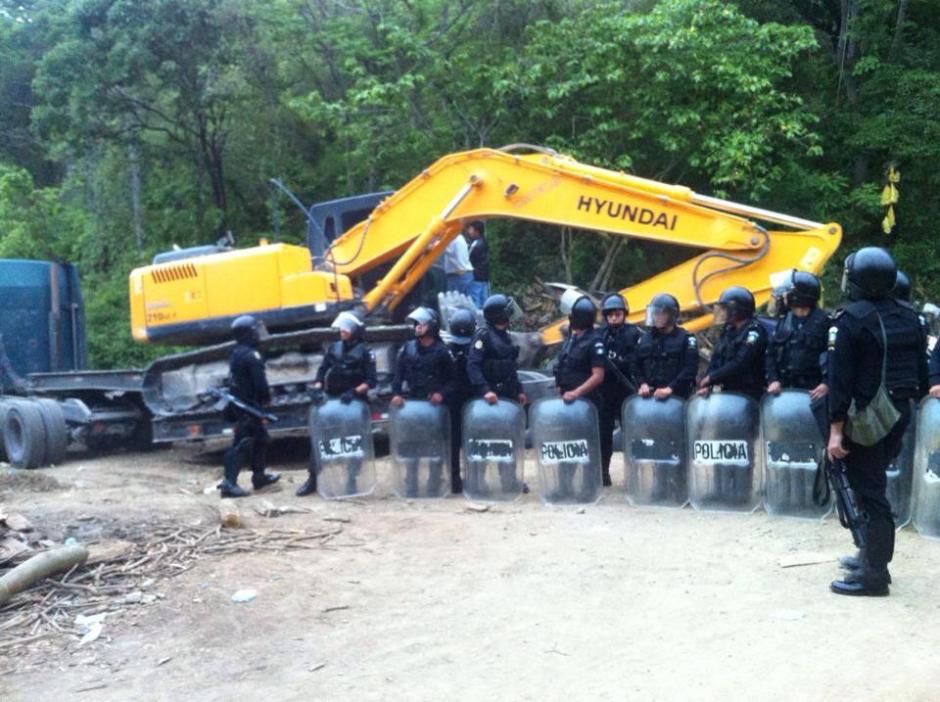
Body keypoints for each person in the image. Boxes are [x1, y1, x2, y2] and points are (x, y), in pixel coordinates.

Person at [827, 247, 928, 597]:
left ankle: (875, 574)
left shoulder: (850, 319)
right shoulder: (910, 315)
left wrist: (836, 432)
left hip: (866, 418)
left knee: (870, 494)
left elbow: (839, 384)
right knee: (872, 487)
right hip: (899, 414)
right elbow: (920, 373)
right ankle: (868, 555)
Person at [297, 312, 377, 497]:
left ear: (355, 330)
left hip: (353, 403)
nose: (342, 330)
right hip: (332, 400)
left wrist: (355, 391)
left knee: (352, 442)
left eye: (346, 328)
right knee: (321, 439)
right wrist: (317, 387)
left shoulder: (366, 352)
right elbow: (322, 370)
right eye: (341, 327)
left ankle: (352, 479)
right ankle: (313, 480)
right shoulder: (334, 348)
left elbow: (371, 381)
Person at [465, 294, 528, 495]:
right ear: (498, 314)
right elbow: (472, 366)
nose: (511, 313)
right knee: (485, 441)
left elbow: (511, 368)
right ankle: (479, 483)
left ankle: (508, 481)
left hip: (507, 396)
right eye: (507, 310)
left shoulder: (506, 337)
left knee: (507, 439)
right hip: (490, 399)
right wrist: (485, 390)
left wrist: (519, 391)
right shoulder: (483, 336)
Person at [391, 307, 456, 496]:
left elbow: (454, 381)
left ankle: (434, 483)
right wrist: (396, 393)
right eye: (416, 324)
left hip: (434, 408)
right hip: (413, 405)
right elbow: (398, 375)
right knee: (412, 446)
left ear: (432, 326)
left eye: (422, 324)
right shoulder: (408, 348)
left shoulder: (443, 351)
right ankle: (410, 484)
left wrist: (441, 394)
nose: (418, 327)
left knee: (435, 448)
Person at [551, 295, 606, 500]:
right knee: (567, 445)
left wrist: (576, 393)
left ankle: (588, 487)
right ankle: (565, 486)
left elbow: (598, 376)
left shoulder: (595, 341)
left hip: (586, 404)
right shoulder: (572, 339)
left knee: (587, 446)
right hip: (568, 403)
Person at [219, 315, 280, 498]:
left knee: (261, 439)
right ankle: (228, 483)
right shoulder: (251, 356)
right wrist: (266, 399)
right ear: (249, 334)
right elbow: (260, 383)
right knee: (242, 443)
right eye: (255, 330)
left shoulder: (237, 351)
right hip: (247, 406)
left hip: (243, 404)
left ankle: (259, 477)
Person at [597, 293, 642, 487]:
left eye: (617, 314)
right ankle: (603, 474)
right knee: (603, 435)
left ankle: (635, 475)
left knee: (631, 434)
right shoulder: (600, 334)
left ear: (624, 313)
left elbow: (639, 360)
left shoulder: (634, 333)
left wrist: (623, 362)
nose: (613, 318)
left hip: (627, 390)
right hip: (606, 392)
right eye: (610, 315)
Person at [766, 271, 830, 400]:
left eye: (786, 293)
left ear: (797, 296)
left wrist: (827, 383)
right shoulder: (784, 321)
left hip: (813, 394)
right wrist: (773, 379)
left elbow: (837, 358)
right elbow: (770, 353)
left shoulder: (825, 322)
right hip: (785, 393)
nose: (782, 297)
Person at [697, 286, 767, 401]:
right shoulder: (729, 330)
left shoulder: (754, 331)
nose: (722, 313)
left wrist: (712, 377)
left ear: (736, 310)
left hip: (750, 395)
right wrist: (707, 383)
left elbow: (741, 362)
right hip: (728, 392)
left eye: (725, 309)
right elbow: (717, 357)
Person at [633, 293, 698, 400]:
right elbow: (635, 364)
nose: (658, 317)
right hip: (649, 397)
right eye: (655, 313)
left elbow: (690, 368)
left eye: (663, 314)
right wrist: (642, 383)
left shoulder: (686, 338)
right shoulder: (645, 339)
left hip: (677, 397)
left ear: (672, 315)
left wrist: (671, 388)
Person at [445, 308, 477, 493]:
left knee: (458, 440)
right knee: (460, 440)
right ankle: (460, 478)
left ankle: (461, 478)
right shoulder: (473, 348)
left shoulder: (449, 349)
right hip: (465, 399)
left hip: (460, 399)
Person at [465, 221, 490, 308]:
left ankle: (477, 320)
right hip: (484, 276)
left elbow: (467, 258)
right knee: (485, 301)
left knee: (475, 301)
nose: (469, 231)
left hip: (476, 277)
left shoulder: (476, 244)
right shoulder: (484, 241)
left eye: (470, 229)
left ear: (477, 231)